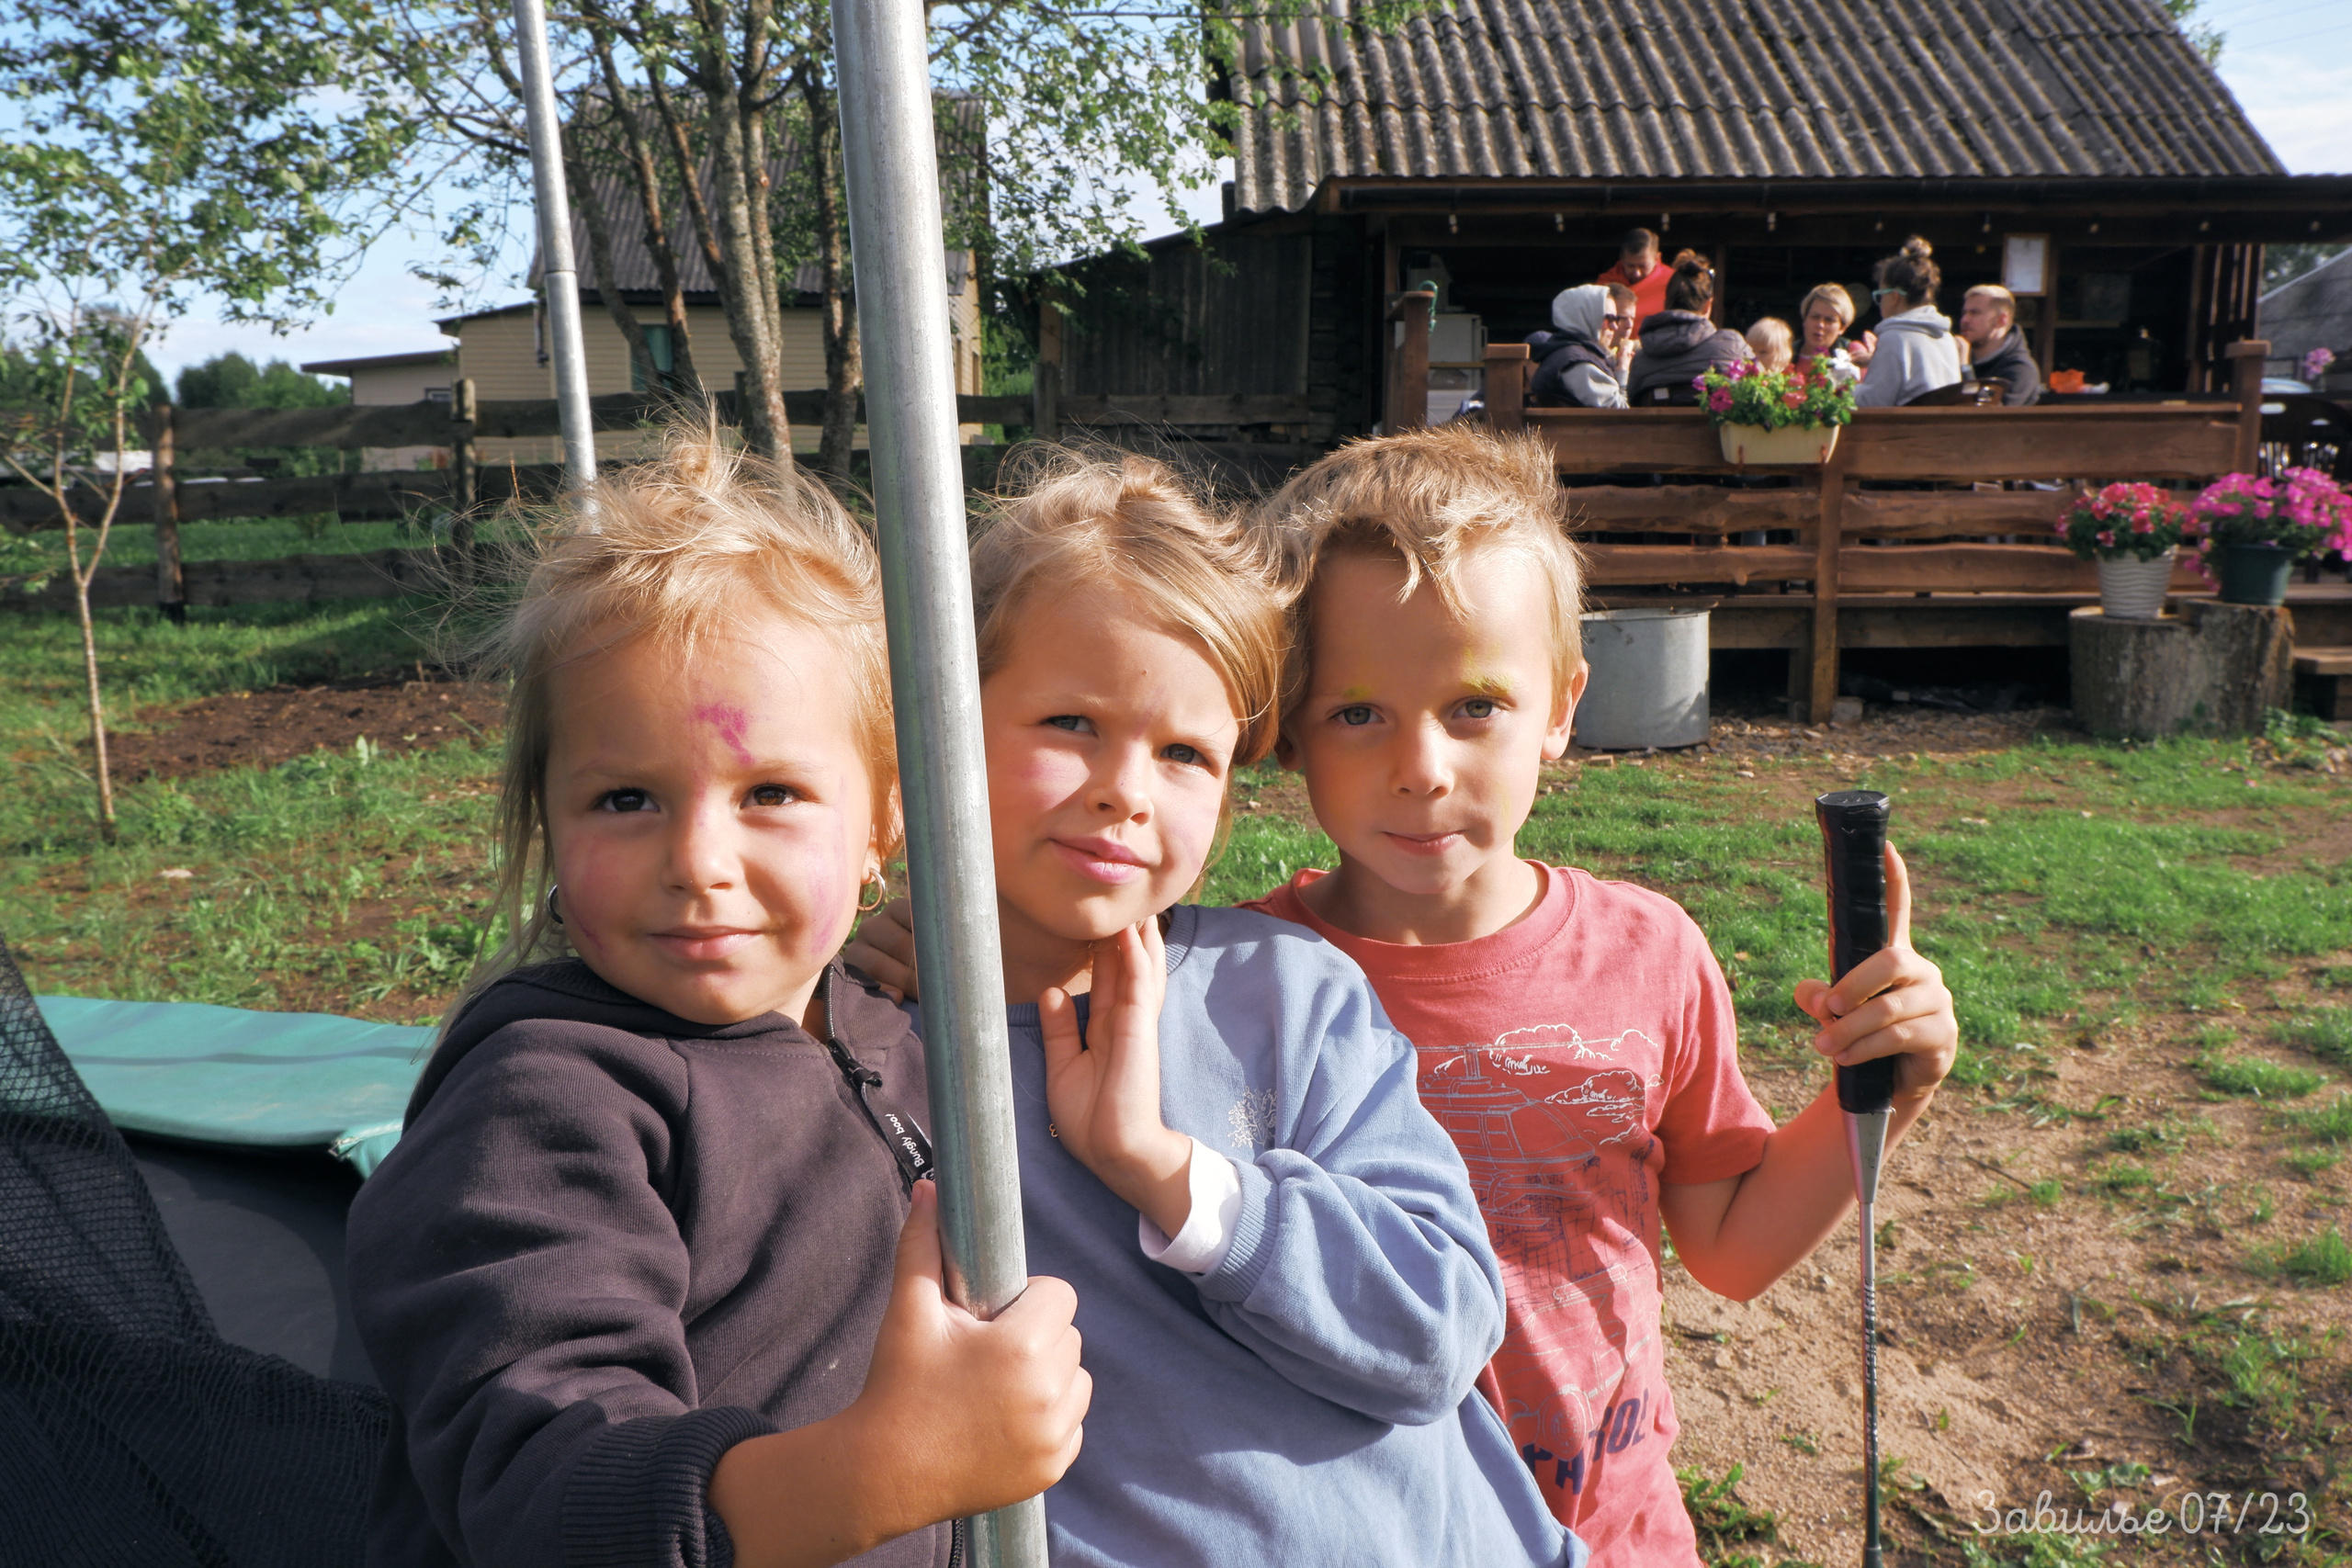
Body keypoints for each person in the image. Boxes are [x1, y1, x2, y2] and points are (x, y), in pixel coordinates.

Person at [851, 428, 1962, 1564]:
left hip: (1603, 1524)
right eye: (1358, 712)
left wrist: (1880, 1095)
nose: (1421, 766)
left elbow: (1729, 1248)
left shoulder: (1646, 952)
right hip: (1364, 1502)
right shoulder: (1237, 982)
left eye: (1476, 704)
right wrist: (938, 937)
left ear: (1564, 705)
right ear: (1279, 730)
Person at [345, 430, 1091, 1568]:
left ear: (885, 815)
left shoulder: (876, 1023)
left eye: (773, 793)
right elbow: (545, 1489)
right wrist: (886, 1471)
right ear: (549, 818)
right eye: (628, 797)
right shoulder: (545, 1106)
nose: (699, 860)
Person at [915, 451, 1582, 1568]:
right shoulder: (871, 1044)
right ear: (940, 716)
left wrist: (1166, 1169)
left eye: (1184, 753)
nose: (1126, 788)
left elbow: (1441, 1331)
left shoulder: (1286, 995)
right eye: (1071, 722)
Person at [1625, 252, 1753, 404]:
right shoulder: (1732, 344)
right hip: (1713, 428)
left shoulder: (1641, 360)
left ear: (1666, 303)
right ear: (1708, 305)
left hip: (1657, 428)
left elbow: (1631, 402)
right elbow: (1761, 390)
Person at [1852, 237, 1962, 408]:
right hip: (1942, 430)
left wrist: (1843, 389)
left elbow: (1874, 401)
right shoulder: (1946, 337)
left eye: (1880, 296)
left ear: (1894, 297)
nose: (1880, 303)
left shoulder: (1894, 337)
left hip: (1906, 431)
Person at [1527, 283, 1636, 408]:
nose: (1614, 326)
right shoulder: (1578, 363)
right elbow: (1621, 412)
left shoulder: (1573, 353)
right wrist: (1622, 370)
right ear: (1585, 316)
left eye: (1616, 319)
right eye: (1608, 319)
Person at [1958, 283, 2041, 405]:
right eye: (1964, 313)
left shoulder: (2021, 370)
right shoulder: (1960, 358)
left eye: (1975, 313)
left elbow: (1987, 418)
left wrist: (1965, 370)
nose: (1964, 320)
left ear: (2001, 320)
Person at [1596, 227, 1671, 327]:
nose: (1637, 273)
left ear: (1656, 258)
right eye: (1630, 266)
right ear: (1621, 258)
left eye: (1642, 266)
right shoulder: (1604, 286)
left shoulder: (1672, 281)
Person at [1795, 283, 1862, 371]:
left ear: (1842, 328)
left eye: (1829, 320)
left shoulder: (1852, 351)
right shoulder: (1786, 352)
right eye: (1815, 317)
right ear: (1804, 320)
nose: (1820, 325)